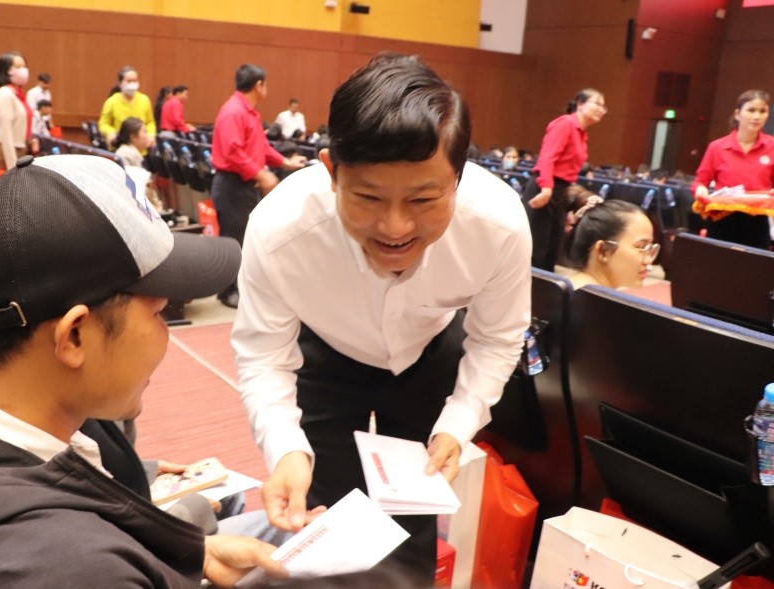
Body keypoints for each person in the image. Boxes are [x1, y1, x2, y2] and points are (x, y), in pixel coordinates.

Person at [0, 154, 295, 588]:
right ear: (73, 336)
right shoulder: (67, 569)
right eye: (159, 313)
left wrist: (188, 550)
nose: (165, 335)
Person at [232, 53, 532, 583]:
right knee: (325, 519)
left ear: (459, 178)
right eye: (368, 197)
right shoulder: (279, 229)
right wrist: (284, 447)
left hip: (429, 355)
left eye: (423, 199)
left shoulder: (499, 225)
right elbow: (263, 353)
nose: (395, 227)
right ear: (331, 172)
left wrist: (460, 422)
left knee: (410, 526)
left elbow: (497, 338)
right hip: (324, 358)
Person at [210, 64, 307, 308]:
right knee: (233, 240)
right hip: (232, 184)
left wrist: (285, 162)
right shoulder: (234, 111)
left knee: (245, 238)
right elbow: (232, 152)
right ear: (259, 85)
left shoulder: (249, 112)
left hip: (245, 185)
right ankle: (228, 291)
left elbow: (261, 147)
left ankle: (240, 287)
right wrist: (261, 174)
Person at [524, 88, 607, 270]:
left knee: (552, 251)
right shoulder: (565, 124)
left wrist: (568, 204)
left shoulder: (582, 134)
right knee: (537, 250)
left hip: (560, 191)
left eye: (604, 106)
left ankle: (545, 288)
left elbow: (568, 173)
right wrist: (546, 189)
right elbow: (547, 158)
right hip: (545, 186)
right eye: (598, 104)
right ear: (580, 104)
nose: (602, 109)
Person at [692, 89, 774, 250]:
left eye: (762, 111)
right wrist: (700, 190)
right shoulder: (717, 147)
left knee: (754, 265)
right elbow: (700, 182)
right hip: (722, 220)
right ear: (737, 114)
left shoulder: (772, 147)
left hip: (757, 222)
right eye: (751, 110)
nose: (757, 116)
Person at [563, 198, 659, 290]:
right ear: (603, 251)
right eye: (641, 247)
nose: (648, 260)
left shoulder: (569, 288)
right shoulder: (589, 299)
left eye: (650, 248)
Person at [0, 51, 31, 170]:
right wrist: (12, 166)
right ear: (6, 71)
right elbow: (6, 133)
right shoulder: (5, 94)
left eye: (24, 66)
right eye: (18, 67)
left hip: (20, 150)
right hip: (8, 153)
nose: (23, 70)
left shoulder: (18, 95)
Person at [98, 66, 155, 147]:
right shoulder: (111, 102)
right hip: (119, 147)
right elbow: (103, 124)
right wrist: (110, 132)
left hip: (140, 149)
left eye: (135, 80)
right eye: (129, 81)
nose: (132, 84)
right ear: (120, 84)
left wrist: (151, 134)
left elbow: (150, 122)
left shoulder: (144, 100)